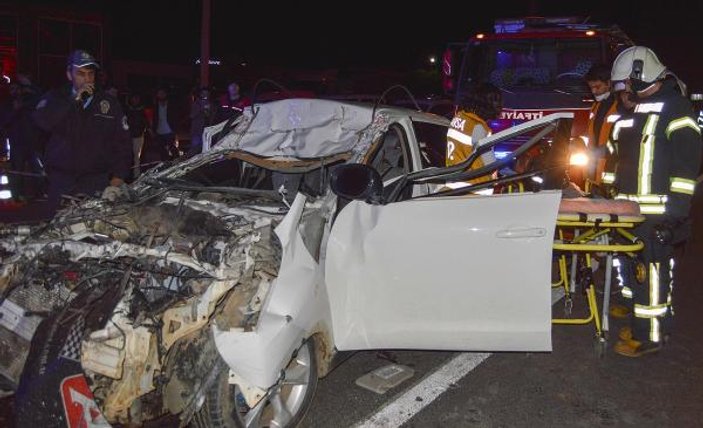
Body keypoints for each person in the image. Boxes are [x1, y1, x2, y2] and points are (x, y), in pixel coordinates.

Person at [606, 46, 702, 357]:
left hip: (658, 215)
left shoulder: (676, 109)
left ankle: (651, 336)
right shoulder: (634, 110)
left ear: (637, 76)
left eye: (624, 84)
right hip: (627, 213)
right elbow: (617, 156)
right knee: (635, 273)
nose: (622, 91)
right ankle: (639, 322)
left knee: (655, 276)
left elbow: (686, 171)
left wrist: (674, 216)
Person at [32, 49, 131, 214]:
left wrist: (118, 178)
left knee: (93, 232)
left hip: (96, 180)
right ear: (69, 75)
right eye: (81, 73)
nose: (87, 79)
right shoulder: (55, 98)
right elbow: (44, 123)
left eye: (90, 74)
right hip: (61, 180)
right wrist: (75, 101)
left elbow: (123, 143)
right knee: (56, 231)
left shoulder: (109, 103)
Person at [445, 82, 502, 189]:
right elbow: (490, 164)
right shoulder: (478, 127)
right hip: (474, 189)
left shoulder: (459, 118)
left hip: (453, 184)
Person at [584, 63, 619, 184]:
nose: (594, 91)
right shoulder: (596, 107)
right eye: (591, 87)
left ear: (609, 83)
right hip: (594, 173)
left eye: (597, 87)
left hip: (610, 171)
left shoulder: (620, 107)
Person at [149, 87, 180, 160]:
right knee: (162, 151)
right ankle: (165, 165)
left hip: (170, 130)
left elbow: (175, 117)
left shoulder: (171, 104)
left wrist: (175, 130)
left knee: (173, 149)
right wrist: (153, 130)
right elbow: (154, 118)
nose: (161, 95)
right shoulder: (156, 105)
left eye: (162, 93)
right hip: (159, 131)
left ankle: (177, 164)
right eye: (159, 94)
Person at [125, 91, 148, 178]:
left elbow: (145, 122)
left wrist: (146, 130)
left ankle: (136, 175)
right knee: (128, 156)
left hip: (138, 135)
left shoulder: (142, 110)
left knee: (137, 156)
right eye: (134, 98)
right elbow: (124, 122)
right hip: (128, 136)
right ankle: (127, 174)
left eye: (137, 98)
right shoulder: (127, 110)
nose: (135, 100)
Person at [188, 86, 215, 156]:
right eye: (203, 93)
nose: (205, 95)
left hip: (207, 131)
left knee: (205, 149)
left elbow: (211, 117)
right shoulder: (196, 103)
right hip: (197, 131)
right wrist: (201, 110)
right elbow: (192, 115)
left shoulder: (211, 104)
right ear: (200, 94)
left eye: (207, 93)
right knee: (194, 149)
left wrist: (208, 112)